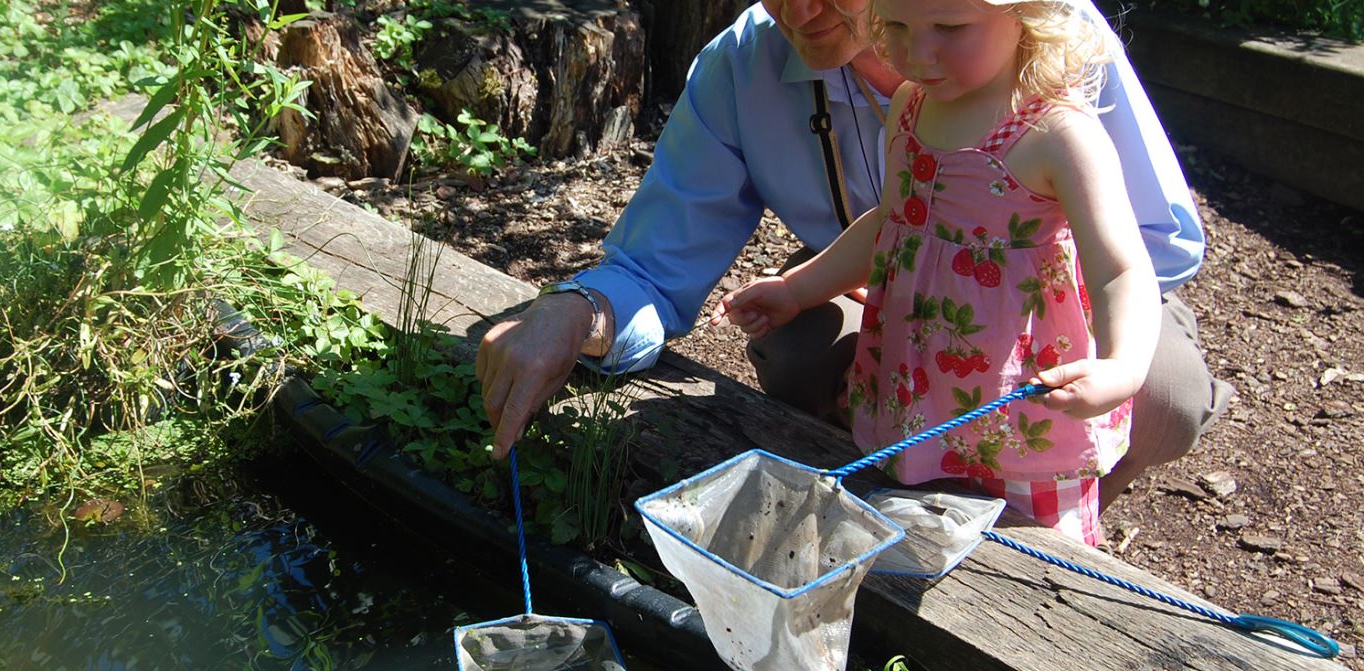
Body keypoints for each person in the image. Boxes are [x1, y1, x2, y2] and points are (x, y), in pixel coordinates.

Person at [475, 0, 1230, 519]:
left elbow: (1150, 246)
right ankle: (904, 490)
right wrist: (573, 314)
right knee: (797, 346)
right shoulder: (744, 67)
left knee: (1159, 395)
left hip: (1044, 295)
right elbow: (651, 268)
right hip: (894, 291)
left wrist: (1017, 310)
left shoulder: (1044, 36)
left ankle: (1050, 523)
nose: (802, 12)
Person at [714, 0, 1155, 546]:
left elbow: (1121, 267)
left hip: (1016, 403)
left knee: (1030, 558)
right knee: (913, 528)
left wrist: (1123, 365)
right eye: (897, 26)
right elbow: (893, 224)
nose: (917, 53)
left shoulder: (1057, 134)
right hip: (916, 384)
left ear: (1026, 14)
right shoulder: (912, 105)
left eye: (949, 27)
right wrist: (797, 288)